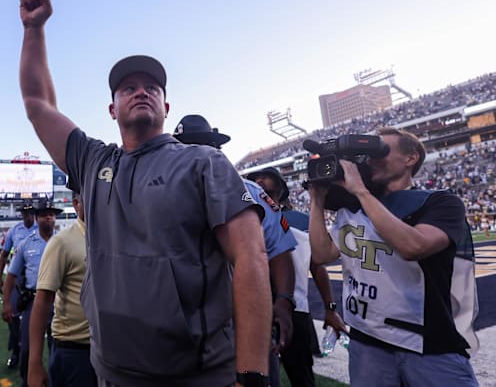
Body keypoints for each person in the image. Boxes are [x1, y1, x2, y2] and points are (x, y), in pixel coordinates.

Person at [18, 0, 272, 386]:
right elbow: (38, 104)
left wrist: (252, 374)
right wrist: (34, 30)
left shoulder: (203, 162)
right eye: (128, 88)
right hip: (112, 373)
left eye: (152, 88)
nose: (141, 91)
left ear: (166, 107)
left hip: (196, 375)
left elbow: (251, 258)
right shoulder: (94, 162)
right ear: (112, 109)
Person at [309, 127, 478, 386]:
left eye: (381, 151)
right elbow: (321, 254)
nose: (371, 159)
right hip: (367, 340)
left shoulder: (440, 202)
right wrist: (317, 199)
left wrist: (361, 193)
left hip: (427, 342)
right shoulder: (351, 207)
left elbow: (414, 247)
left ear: (410, 158)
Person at [174, 114, 296, 387]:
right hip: (186, 324)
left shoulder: (252, 192)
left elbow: (279, 251)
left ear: (217, 150)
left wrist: (284, 299)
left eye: (202, 145)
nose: (194, 153)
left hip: (246, 317)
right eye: (185, 146)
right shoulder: (163, 193)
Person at [247, 167, 346, 387]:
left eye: (266, 177)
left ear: (281, 188)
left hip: (295, 307)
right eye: (256, 178)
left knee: (301, 376)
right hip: (253, 307)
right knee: (256, 374)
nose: (260, 181)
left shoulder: (302, 220)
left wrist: (330, 308)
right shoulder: (244, 216)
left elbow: (318, 267)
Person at [28, 192, 96, 387]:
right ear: (76, 204)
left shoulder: (112, 236)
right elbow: (42, 301)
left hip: (109, 347)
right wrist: (34, 363)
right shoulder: (62, 242)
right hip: (75, 349)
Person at [2, 199, 61, 386]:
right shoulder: (26, 244)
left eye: (51, 215)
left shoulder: (62, 242)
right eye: (44, 215)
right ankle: (27, 382)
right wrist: (6, 303)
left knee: (56, 348)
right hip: (33, 303)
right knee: (27, 348)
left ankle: (53, 381)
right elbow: (11, 275)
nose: (48, 218)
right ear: (37, 218)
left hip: (59, 303)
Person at [0, 204, 39, 368]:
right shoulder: (14, 231)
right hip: (16, 278)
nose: (27, 216)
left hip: (36, 278)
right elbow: (4, 255)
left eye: (30, 213)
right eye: (24, 213)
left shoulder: (40, 227)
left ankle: (32, 355)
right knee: (12, 316)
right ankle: (16, 350)